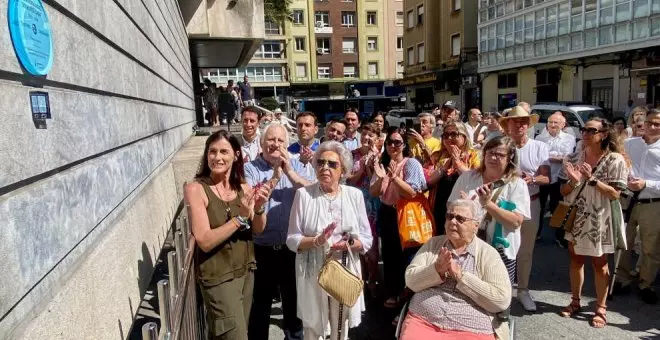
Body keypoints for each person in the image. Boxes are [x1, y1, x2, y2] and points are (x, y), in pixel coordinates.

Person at [185, 130, 272, 340]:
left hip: (246, 272)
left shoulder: (243, 186)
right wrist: (240, 219)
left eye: (224, 151)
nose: (217, 157)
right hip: (218, 277)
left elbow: (258, 229)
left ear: (236, 155)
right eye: (212, 151)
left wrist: (259, 208)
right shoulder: (196, 189)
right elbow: (204, 240)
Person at [287, 141, 373, 340]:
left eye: (332, 164)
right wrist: (317, 240)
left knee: (339, 327)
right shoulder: (303, 195)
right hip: (311, 269)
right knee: (313, 327)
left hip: (343, 267)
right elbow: (292, 239)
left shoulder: (355, 195)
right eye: (321, 162)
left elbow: (367, 239)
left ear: (343, 169)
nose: (325, 167)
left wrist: (348, 244)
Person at [400, 199, 513, 340]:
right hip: (424, 320)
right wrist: (436, 269)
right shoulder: (433, 244)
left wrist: (461, 276)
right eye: (449, 216)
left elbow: (500, 300)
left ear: (475, 226)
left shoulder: (488, 254)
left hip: (471, 328)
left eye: (460, 219)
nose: (453, 222)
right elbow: (410, 280)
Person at [557, 117, 629, 327]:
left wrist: (592, 180)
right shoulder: (575, 156)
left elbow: (616, 194)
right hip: (578, 215)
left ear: (604, 134)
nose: (586, 134)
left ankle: (600, 308)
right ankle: (575, 302)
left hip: (601, 217)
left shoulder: (615, 160)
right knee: (576, 259)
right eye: (584, 130)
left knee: (600, 264)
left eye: (591, 130)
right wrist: (573, 180)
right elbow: (563, 191)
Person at [245, 124, 313, 340]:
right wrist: (275, 177)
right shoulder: (250, 169)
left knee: (294, 305)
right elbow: (252, 200)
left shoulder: (297, 165)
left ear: (286, 144)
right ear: (262, 143)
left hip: (291, 248)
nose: (275, 144)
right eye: (270, 140)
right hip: (261, 248)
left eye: (280, 141)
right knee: (260, 306)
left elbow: (312, 192)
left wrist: (289, 171)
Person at [449, 136, 530, 284]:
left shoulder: (517, 184)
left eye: (500, 155)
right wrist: (464, 207)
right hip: (467, 246)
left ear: (510, 157)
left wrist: (487, 204)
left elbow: (516, 222)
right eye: (490, 152)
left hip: (501, 249)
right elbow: (450, 209)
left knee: (499, 298)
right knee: (466, 291)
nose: (493, 157)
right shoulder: (468, 178)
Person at [369, 127, 427, 310]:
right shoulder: (383, 165)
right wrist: (381, 177)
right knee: (389, 256)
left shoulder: (411, 164)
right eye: (390, 142)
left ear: (404, 145)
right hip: (387, 213)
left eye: (397, 142)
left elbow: (412, 192)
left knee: (408, 257)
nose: (393, 146)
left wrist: (395, 178)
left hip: (406, 214)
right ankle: (393, 292)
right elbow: (373, 192)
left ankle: (408, 299)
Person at [499, 106, 550, 312]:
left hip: (531, 202)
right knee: (501, 247)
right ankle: (501, 291)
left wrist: (533, 178)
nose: (519, 125)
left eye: (523, 121)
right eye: (515, 121)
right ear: (507, 125)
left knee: (525, 251)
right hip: (504, 205)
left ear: (529, 125)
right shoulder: (501, 145)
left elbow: (546, 177)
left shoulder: (539, 147)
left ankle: (523, 290)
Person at [614, 109, 660, 305]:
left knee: (651, 248)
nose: (652, 127)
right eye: (650, 122)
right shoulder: (630, 144)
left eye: (657, 124)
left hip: (653, 203)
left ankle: (646, 284)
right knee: (623, 242)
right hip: (628, 199)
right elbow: (621, 165)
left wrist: (646, 184)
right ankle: (622, 279)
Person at [347, 123, 382, 296]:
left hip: (373, 207)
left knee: (372, 247)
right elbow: (349, 180)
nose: (367, 138)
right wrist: (361, 168)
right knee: (356, 243)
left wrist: (372, 163)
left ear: (377, 139)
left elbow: (378, 181)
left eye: (371, 136)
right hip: (354, 204)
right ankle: (361, 278)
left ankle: (373, 280)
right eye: (365, 134)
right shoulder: (352, 155)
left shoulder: (380, 156)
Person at [428, 122, 480, 233]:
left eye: (453, 134)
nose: (449, 138)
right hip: (440, 206)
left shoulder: (473, 155)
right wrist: (442, 168)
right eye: (445, 135)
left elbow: (477, 179)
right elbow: (429, 181)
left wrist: (459, 164)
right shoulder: (438, 156)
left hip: (463, 210)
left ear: (464, 137)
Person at [535, 112, 576, 246]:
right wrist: (557, 157)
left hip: (559, 178)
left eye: (556, 123)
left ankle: (560, 237)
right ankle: (536, 234)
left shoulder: (569, 138)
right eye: (550, 122)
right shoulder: (540, 138)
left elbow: (567, 157)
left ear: (563, 125)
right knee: (539, 207)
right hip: (543, 177)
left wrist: (549, 156)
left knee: (558, 208)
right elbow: (539, 157)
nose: (552, 125)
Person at [288, 111, 321, 180]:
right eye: (300, 125)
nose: (303, 128)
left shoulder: (323, 150)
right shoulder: (289, 152)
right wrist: (301, 162)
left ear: (316, 129)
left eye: (307, 125)